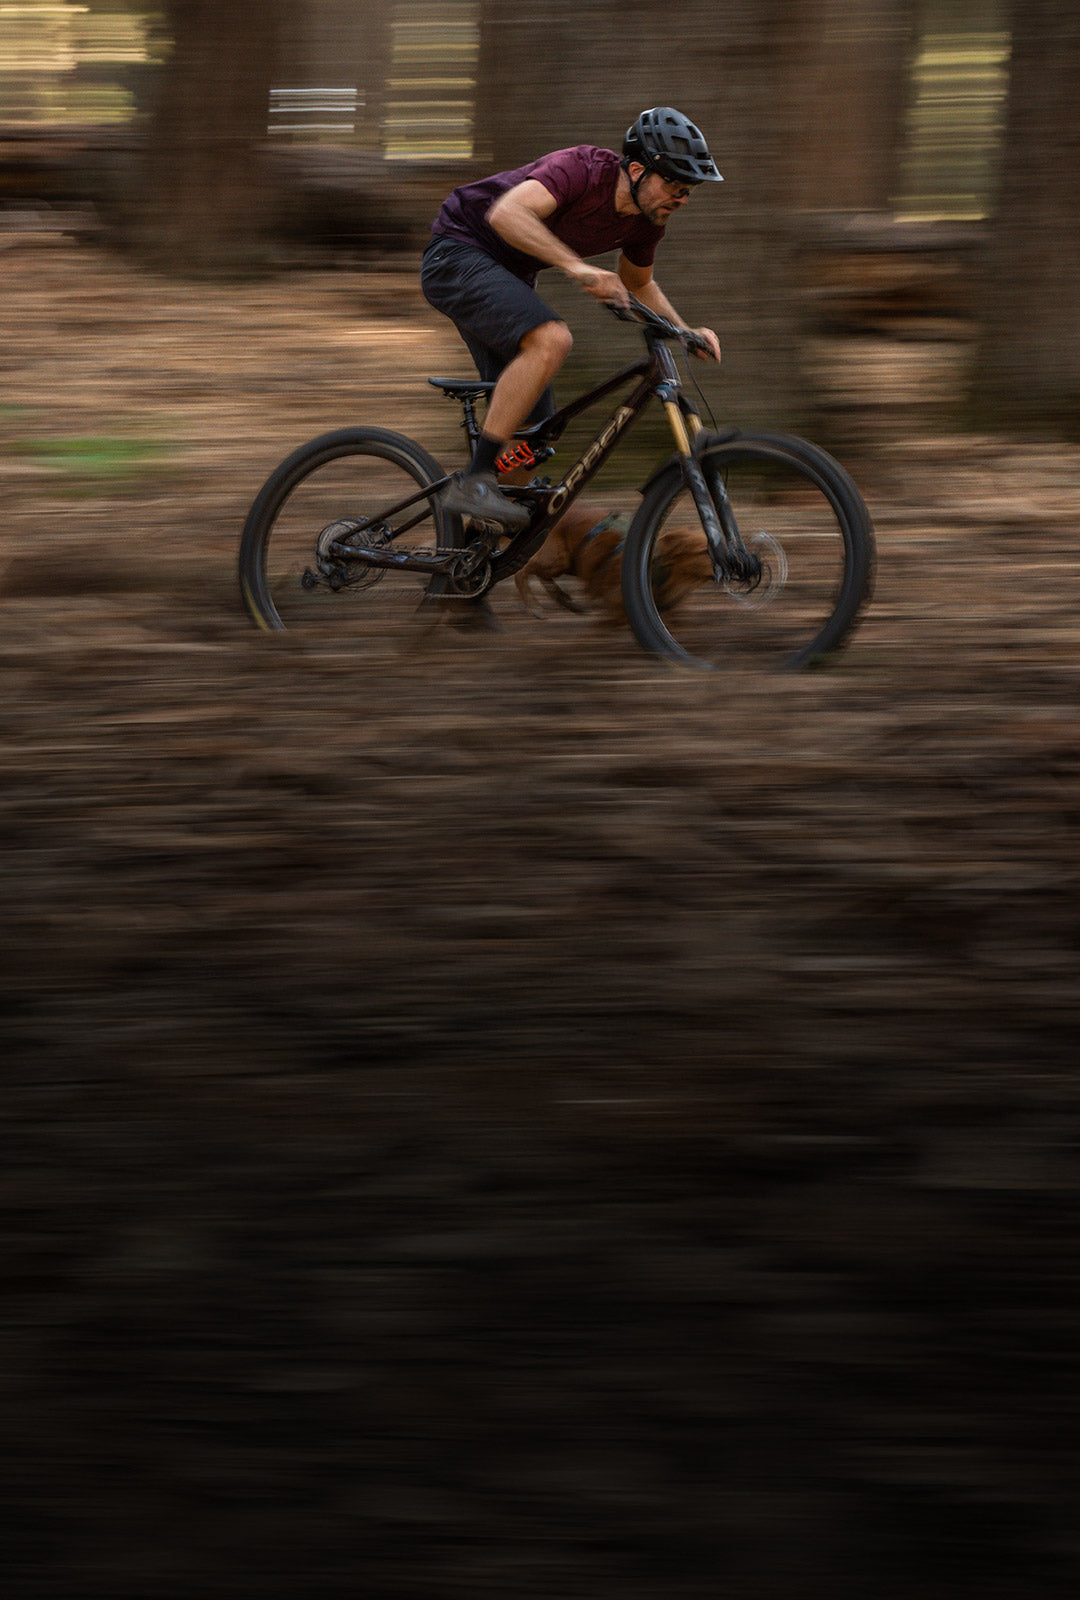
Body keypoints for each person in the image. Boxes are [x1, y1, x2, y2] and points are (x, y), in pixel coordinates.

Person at [421, 106, 724, 534]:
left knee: (535, 436)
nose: (683, 197)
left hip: (507, 277)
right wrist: (576, 267)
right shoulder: (580, 169)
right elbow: (506, 214)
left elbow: (638, 282)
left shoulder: (646, 221)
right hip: (457, 253)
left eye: (689, 188)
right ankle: (475, 480)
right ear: (637, 170)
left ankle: (471, 562)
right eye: (675, 183)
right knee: (553, 339)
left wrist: (685, 329)